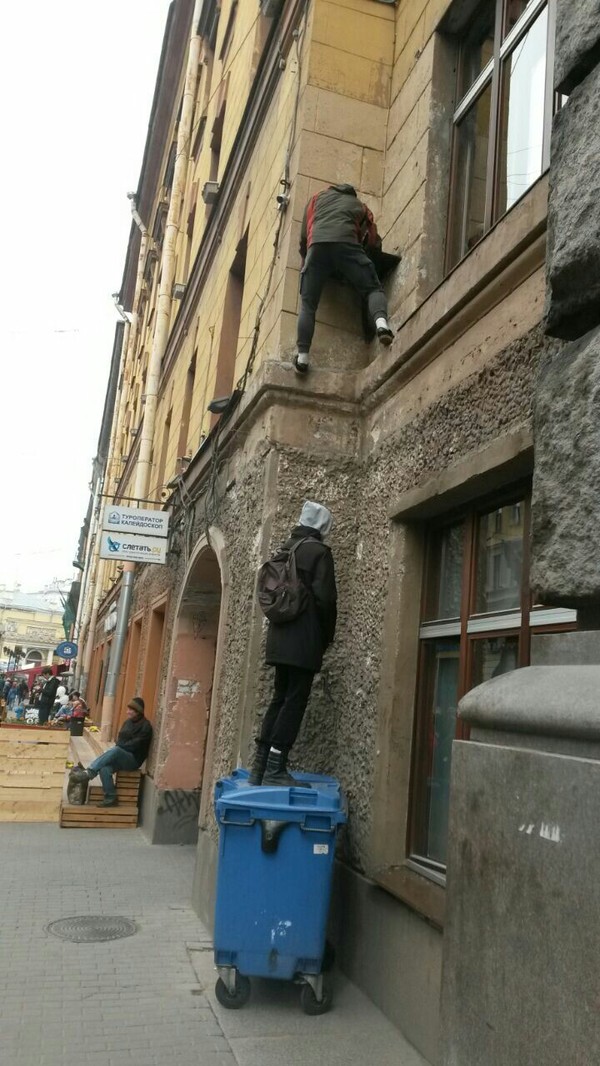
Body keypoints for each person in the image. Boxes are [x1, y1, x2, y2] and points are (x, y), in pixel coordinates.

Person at [249, 501, 337, 787]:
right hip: (304, 640)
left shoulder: (284, 549)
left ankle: (259, 767)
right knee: (295, 701)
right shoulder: (318, 552)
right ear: (322, 526)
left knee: (280, 697)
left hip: (279, 637)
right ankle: (276, 767)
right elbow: (326, 600)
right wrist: (326, 637)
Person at [294, 183, 394, 375]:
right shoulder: (360, 206)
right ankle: (382, 325)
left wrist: (305, 260)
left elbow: (303, 236)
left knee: (308, 305)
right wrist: (365, 261)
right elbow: (372, 239)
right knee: (373, 288)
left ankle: (302, 358)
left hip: (316, 249)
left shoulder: (315, 200)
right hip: (347, 247)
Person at [72, 697, 152, 807]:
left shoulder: (146, 726)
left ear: (138, 711)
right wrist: (121, 745)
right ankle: (110, 797)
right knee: (105, 768)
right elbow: (120, 740)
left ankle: (90, 772)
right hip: (122, 755)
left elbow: (135, 745)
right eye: (127, 709)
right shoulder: (127, 723)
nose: (127, 712)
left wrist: (121, 746)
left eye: (130, 710)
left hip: (133, 760)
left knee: (116, 750)